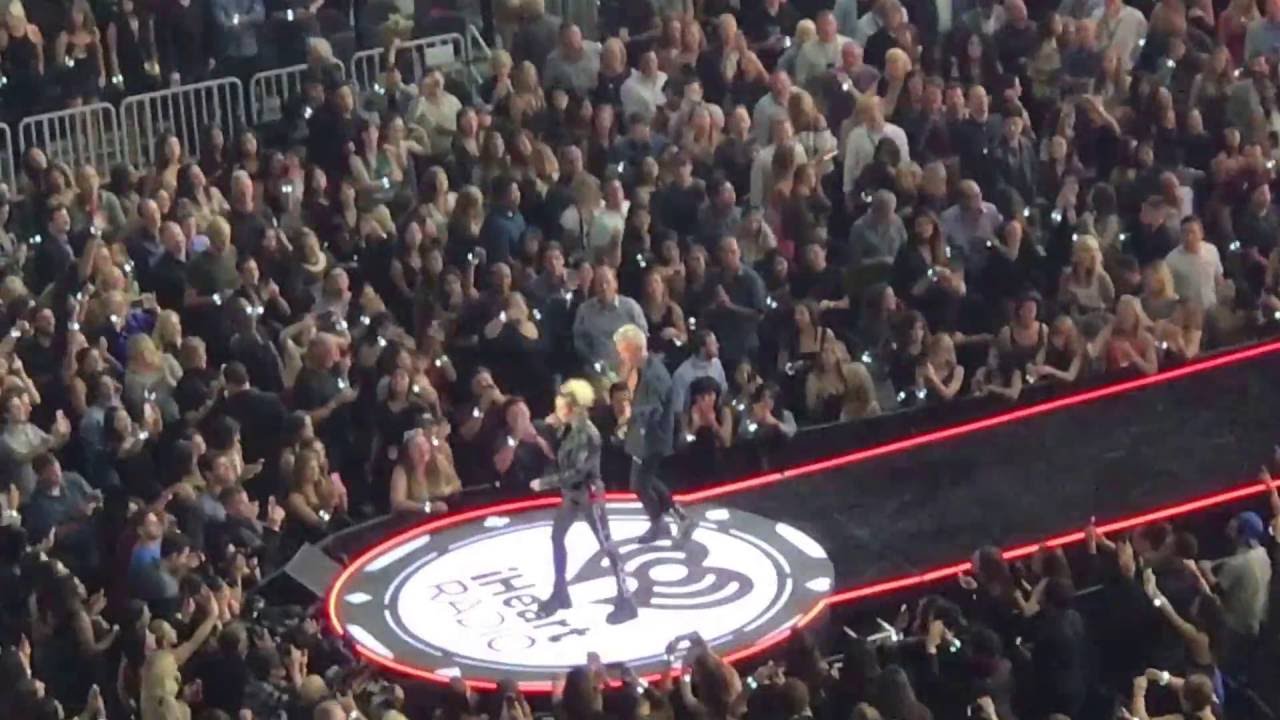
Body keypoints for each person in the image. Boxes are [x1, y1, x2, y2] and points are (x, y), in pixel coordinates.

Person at [529, 379, 636, 622]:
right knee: (557, 536)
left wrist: (544, 483)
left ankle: (626, 598)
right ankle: (560, 591)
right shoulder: (569, 430)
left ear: (574, 407)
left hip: (589, 495)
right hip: (572, 494)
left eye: (563, 406)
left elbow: (577, 471)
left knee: (607, 545)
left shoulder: (589, 434)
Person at [614, 324, 691, 543]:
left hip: (652, 437)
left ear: (632, 348)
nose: (619, 354)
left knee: (640, 484)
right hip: (643, 436)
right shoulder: (641, 369)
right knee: (645, 481)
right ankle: (675, 517)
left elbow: (654, 410)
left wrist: (631, 415)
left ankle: (663, 522)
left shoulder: (654, 375)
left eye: (622, 349)